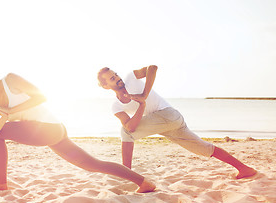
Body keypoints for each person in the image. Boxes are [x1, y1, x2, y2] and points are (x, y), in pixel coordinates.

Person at [0, 60, 155, 193]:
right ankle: (143, 182)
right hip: (47, 133)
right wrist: (3, 117)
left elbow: (41, 96)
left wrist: (7, 110)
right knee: (92, 164)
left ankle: (1, 183)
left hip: (49, 127)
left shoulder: (10, 80)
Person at [97, 65, 257, 179]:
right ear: (106, 86)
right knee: (204, 148)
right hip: (166, 125)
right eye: (112, 78)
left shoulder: (131, 78)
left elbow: (152, 68)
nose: (117, 78)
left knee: (124, 132)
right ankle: (244, 169)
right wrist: (141, 105)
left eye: (115, 74)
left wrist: (144, 95)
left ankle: (127, 174)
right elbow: (131, 126)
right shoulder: (116, 105)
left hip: (168, 115)